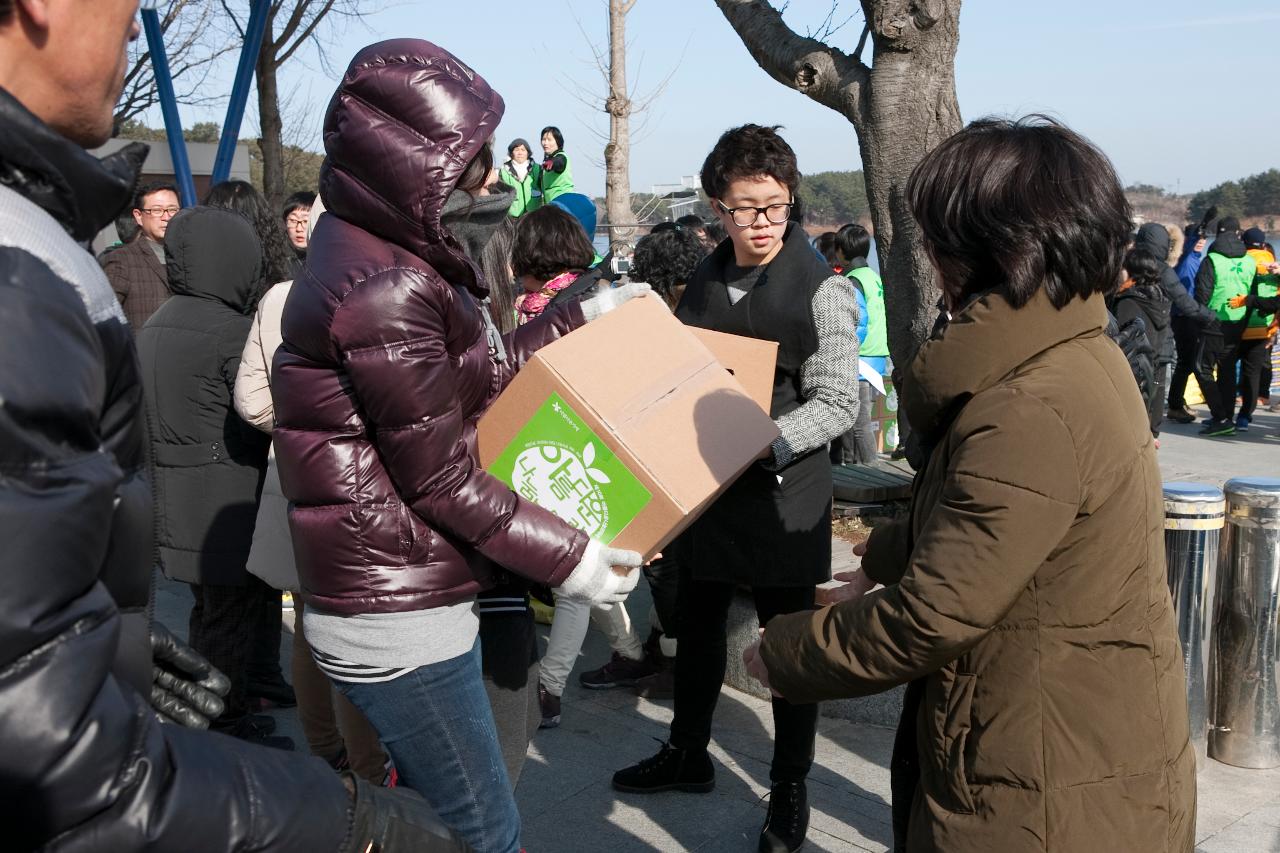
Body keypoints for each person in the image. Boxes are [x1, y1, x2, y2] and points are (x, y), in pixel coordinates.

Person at [0, 3, 465, 850]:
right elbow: (55, 767)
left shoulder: (40, 241)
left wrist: (99, 658)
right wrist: (351, 820)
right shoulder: (20, 279)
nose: (136, 32)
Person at [744, 116, 1195, 853]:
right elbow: (982, 520)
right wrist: (880, 563)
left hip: (1043, 785)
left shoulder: (1031, 404)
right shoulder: (1075, 348)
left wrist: (790, 651)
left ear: (990, 248)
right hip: (1075, 741)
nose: (928, 258)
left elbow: (932, 616)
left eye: (934, 239)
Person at [272, 39, 647, 852]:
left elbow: (468, 383)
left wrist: (578, 317)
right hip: (395, 605)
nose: (486, 183)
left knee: (440, 822)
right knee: (482, 832)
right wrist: (574, 560)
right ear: (412, 169)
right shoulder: (388, 286)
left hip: (393, 583)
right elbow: (442, 478)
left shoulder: (384, 253)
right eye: (468, 166)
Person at [612, 124, 860, 853]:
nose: (760, 224)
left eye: (775, 208)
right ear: (716, 205)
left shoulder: (824, 289)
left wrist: (767, 440)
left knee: (789, 648)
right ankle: (688, 752)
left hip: (786, 493)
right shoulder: (705, 276)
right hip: (712, 489)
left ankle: (789, 786)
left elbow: (838, 401)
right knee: (698, 623)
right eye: (744, 209)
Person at [234, 194, 391, 782]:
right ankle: (369, 771)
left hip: (291, 476)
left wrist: (296, 429)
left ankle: (325, 750)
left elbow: (250, 400)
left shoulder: (278, 296)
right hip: (360, 487)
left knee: (306, 624)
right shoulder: (375, 296)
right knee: (353, 637)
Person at [136, 206, 292, 748]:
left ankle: (222, 707)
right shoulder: (229, 331)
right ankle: (224, 725)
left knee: (210, 611)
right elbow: (260, 412)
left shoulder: (155, 325)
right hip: (225, 496)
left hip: (176, 497)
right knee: (227, 618)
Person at [203, 178, 299, 712]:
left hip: (230, 465)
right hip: (254, 467)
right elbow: (257, 404)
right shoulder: (278, 295)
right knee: (254, 598)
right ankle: (251, 693)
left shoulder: (208, 309)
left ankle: (257, 688)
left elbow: (254, 403)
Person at [830, 222, 887, 465]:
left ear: (841, 251)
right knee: (857, 419)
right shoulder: (872, 276)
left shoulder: (851, 281)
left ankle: (872, 474)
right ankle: (854, 470)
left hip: (860, 361)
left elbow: (859, 322)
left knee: (859, 422)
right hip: (877, 358)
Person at [1194, 216, 1256, 435]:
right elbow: (1253, 295)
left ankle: (1220, 417)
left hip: (1213, 321)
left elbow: (1202, 295)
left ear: (1218, 235)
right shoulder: (1250, 261)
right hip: (1238, 322)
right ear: (1238, 234)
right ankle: (1226, 415)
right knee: (1227, 368)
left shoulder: (1211, 260)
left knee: (1202, 368)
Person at [1155, 222, 1217, 423]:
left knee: (1187, 362)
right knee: (1186, 362)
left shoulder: (1199, 259)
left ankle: (1177, 401)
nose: (1201, 242)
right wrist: (1196, 235)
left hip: (1193, 315)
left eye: (1204, 240)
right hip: (1183, 316)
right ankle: (1175, 404)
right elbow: (1187, 247)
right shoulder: (1185, 258)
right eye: (1197, 239)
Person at [101, 179, 178, 328]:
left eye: (172, 210)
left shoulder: (189, 257)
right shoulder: (121, 260)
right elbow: (105, 319)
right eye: (157, 210)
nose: (166, 217)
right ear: (138, 216)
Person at [1113, 246, 1173, 435]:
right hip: (1158, 360)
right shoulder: (1161, 298)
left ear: (1130, 271)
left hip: (1132, 370)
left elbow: (1120, 341)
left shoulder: (1128, 302)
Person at [1233, 227, 1278, 431]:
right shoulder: (1272, 264)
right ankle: (1245, 416)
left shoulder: (1240, 260)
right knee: (1253, 374)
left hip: (1236, 324)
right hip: (1263, 328)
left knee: (1228, 369)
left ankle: (1225, 412)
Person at [498, 137, 539, 217]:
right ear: (511, 153)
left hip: (534, 214)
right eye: (516, 150)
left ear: (528, 153)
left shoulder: (537, 169)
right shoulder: (503, 171)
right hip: (513, 216)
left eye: (523, 150)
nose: (520, 153)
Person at [535, 124, 574, 205]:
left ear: (557, 141)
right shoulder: (545, 163)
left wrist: (552, 163)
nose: (545, 143)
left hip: (563, 204)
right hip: (551, 206)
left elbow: (559, 162)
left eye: (549, 140)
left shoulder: (561, 156)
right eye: (543, 139)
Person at [282, 189, 316, 276]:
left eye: (305, 221)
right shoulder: (278, 262)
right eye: (293, 220)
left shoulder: (329, 257)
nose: (299, 228)